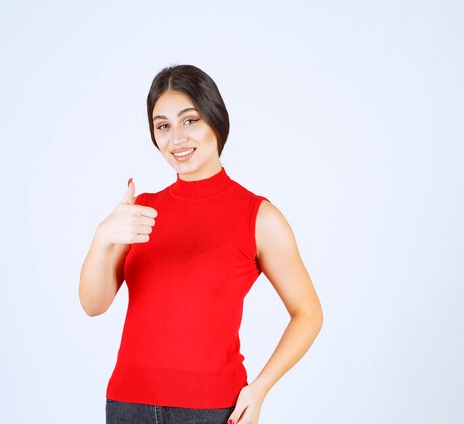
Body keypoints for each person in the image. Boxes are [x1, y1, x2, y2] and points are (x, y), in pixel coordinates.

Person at [79, 64, 323, 424]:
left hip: (212, 410)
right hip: (127, 405)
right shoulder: (140, 210)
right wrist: (102, 237)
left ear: (215, 119)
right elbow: (93, 304)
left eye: (189, 120)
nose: (177, 139)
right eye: (163, 126)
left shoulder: (258, 216)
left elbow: (309, 314)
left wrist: (258, 389)